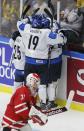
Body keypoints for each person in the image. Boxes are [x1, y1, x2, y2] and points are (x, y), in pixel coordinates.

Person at [17, 14, 65, 110]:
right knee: (42, 84)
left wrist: (28, 18)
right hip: (41, 63)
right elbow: (60, 39)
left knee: (28, 84)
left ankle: (26, 103)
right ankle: (43, 103)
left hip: (28, 62)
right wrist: (59, 33)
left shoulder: (27, 28)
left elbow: (19, 23)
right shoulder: (46, 32)